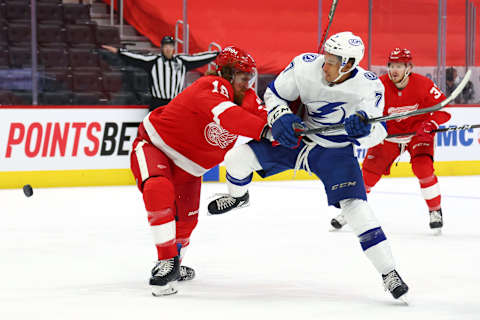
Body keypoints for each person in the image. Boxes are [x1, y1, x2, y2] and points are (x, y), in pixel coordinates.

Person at [207, 32, 409, 301]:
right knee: (236, 160)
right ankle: (238, 196)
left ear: (349, 64)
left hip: (335, 153)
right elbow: (274, 95)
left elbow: (378, 130)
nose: (325, 65)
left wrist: (363, 130)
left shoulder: (369, 87)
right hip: (298, 138)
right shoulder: (305, 65)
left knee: (357, 209)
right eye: (325, 57)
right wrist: (281, 117)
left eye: (332, 61)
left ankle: (389, 272)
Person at [129, 46, 269, 296]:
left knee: (187, 223)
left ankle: (175, 262)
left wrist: (290, 130)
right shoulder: (211, 86)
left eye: (249, 76)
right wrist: (266, 130)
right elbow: (228, 117)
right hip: (155, 146)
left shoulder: (247, 99)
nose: (247, 82)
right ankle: (167, 261)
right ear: (226, 73)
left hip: (190, 169)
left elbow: (268, 120)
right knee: (157, 187)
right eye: (241, 75)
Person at [330, 48, 451, 233]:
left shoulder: (424, 84)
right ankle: (350, 212)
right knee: (368, 175)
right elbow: (367, 110)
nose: (394, 70)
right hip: (388, 137)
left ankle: (435, 211)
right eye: (392, 65)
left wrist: (430, 123)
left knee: (423, 168)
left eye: (399, 66)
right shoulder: (379, 85)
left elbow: (445, 110)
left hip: (417, 136)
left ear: (409, 67)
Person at [102, 36, 219, 111]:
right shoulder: (153, 61)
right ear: (162, 48)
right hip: (157, 103)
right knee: (152, 131)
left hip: (175, 103)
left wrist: (217, 54)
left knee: (175, 131)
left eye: (170, 46)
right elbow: (135, 57)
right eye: (165, 46)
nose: (168, 49)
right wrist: (119, 51)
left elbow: (200, 58)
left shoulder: (182, 61)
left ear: (173, 48)